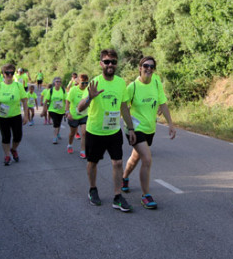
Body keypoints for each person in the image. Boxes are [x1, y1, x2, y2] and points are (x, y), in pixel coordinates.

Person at [76, 49, 136, 212]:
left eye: (114, 62)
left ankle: (117, 196)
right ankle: (93, 189)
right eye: (107, 61)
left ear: (117, 64)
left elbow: (124, 107)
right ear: (101, 64)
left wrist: (131, 128)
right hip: (95, 131)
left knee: (117, 162)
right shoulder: (94, 83)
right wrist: (90, 97)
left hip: (114, 131)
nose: (110, 65)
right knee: (92, 162)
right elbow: (79, 108)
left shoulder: (121, 83)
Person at [121, 57, 176, 209]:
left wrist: (170, 124)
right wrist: (130, 128)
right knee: (147, 159)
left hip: (150, 129)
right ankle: (146, 196)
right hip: (134, 129)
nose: (149, 69)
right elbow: (124, 107)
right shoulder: (132, 87)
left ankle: (124, 178)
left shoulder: (156, 83)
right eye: (146, 66)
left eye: (152, 66)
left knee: (135, 157)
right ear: (140, 68)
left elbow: (163, 104)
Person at [0, 64, 29, 166]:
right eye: (7, 73)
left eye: (11, 73)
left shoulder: (18, 86)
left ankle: (13, 149)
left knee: (18, 136)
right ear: (3, 74)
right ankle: (7, 155)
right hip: (2, 117)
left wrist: (26, 115)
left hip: (15, 115)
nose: (9, 75)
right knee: (6, 137)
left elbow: (25, 101)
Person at [65, 73, 89, 158]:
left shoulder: (88, 90)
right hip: (74, 115)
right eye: (83, 83)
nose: (85, 85)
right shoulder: (73, 90)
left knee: (84, 133)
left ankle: (82, 151)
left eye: (86, 83)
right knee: (72, 133)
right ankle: (70, 144)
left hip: (84, 115)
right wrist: (67, 112)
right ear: (78, 81)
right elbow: (67, 101)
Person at [42, 77, 66, 144]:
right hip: (52, 110)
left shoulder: (63, 90)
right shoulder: (51, 90)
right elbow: (46, 100)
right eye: (57, 81)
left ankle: (58, 133)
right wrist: (44, 110)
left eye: (59, 81)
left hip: (61, 110)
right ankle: (55, 137)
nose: (58, 83)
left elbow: (66, 100)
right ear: (54, 83)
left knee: (59, 122)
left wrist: (67, 110)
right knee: (56, 123)